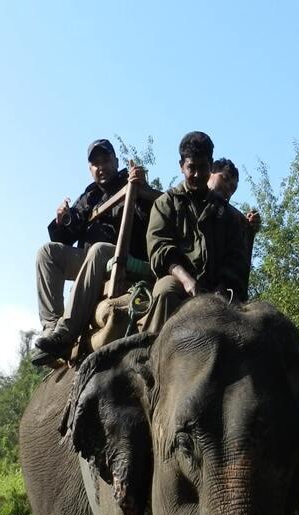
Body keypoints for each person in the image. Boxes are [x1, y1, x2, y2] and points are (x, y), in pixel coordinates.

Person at [32, 139, 147, 364]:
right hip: (92, 262)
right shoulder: (89, 196)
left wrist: (142, 189)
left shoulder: (131, 180)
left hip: (121, 256)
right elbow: (66, 235)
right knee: (46, 252)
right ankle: (51, 328)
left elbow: (149, 221)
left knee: (99, 249)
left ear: (116, 161)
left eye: (105, 160)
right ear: (90, 169)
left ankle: (66, 334)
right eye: (95, 163)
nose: (101, 166)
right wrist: (63, 219)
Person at [141, 132, 249, 334]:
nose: (197, 174)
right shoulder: (166, 204)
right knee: (165, 292)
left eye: (203, 167)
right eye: (192, 168)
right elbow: (160, 249)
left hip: (218, 290)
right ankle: (150, 354)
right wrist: (186, 279)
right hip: (178, 282)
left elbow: (237, 259)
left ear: (210, 165)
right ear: (182, 166)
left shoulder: (227, 215)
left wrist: (222, 288)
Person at [207, 158, 262, 252]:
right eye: (225, 179)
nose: (228, 187)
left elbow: (240, 262)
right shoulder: (183, 200)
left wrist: (249, 231)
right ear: (210, 172)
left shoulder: (233, 221)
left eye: (233, 188)